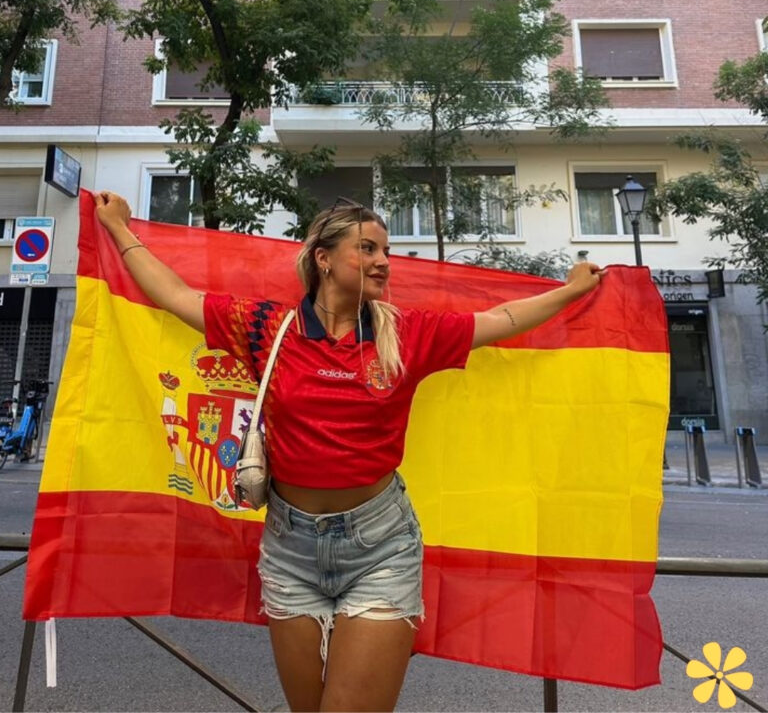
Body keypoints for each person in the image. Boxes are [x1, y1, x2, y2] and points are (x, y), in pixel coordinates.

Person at [94, 191, 604, 712]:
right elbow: (176, 296)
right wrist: (117, 228)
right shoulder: (267, 327)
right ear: (324, 258)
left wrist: (569, 292)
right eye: (368, 249)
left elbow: (503, 318)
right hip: (290, 551)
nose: (384, 261)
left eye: (385, 250)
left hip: (380, 550)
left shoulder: (405, 334)